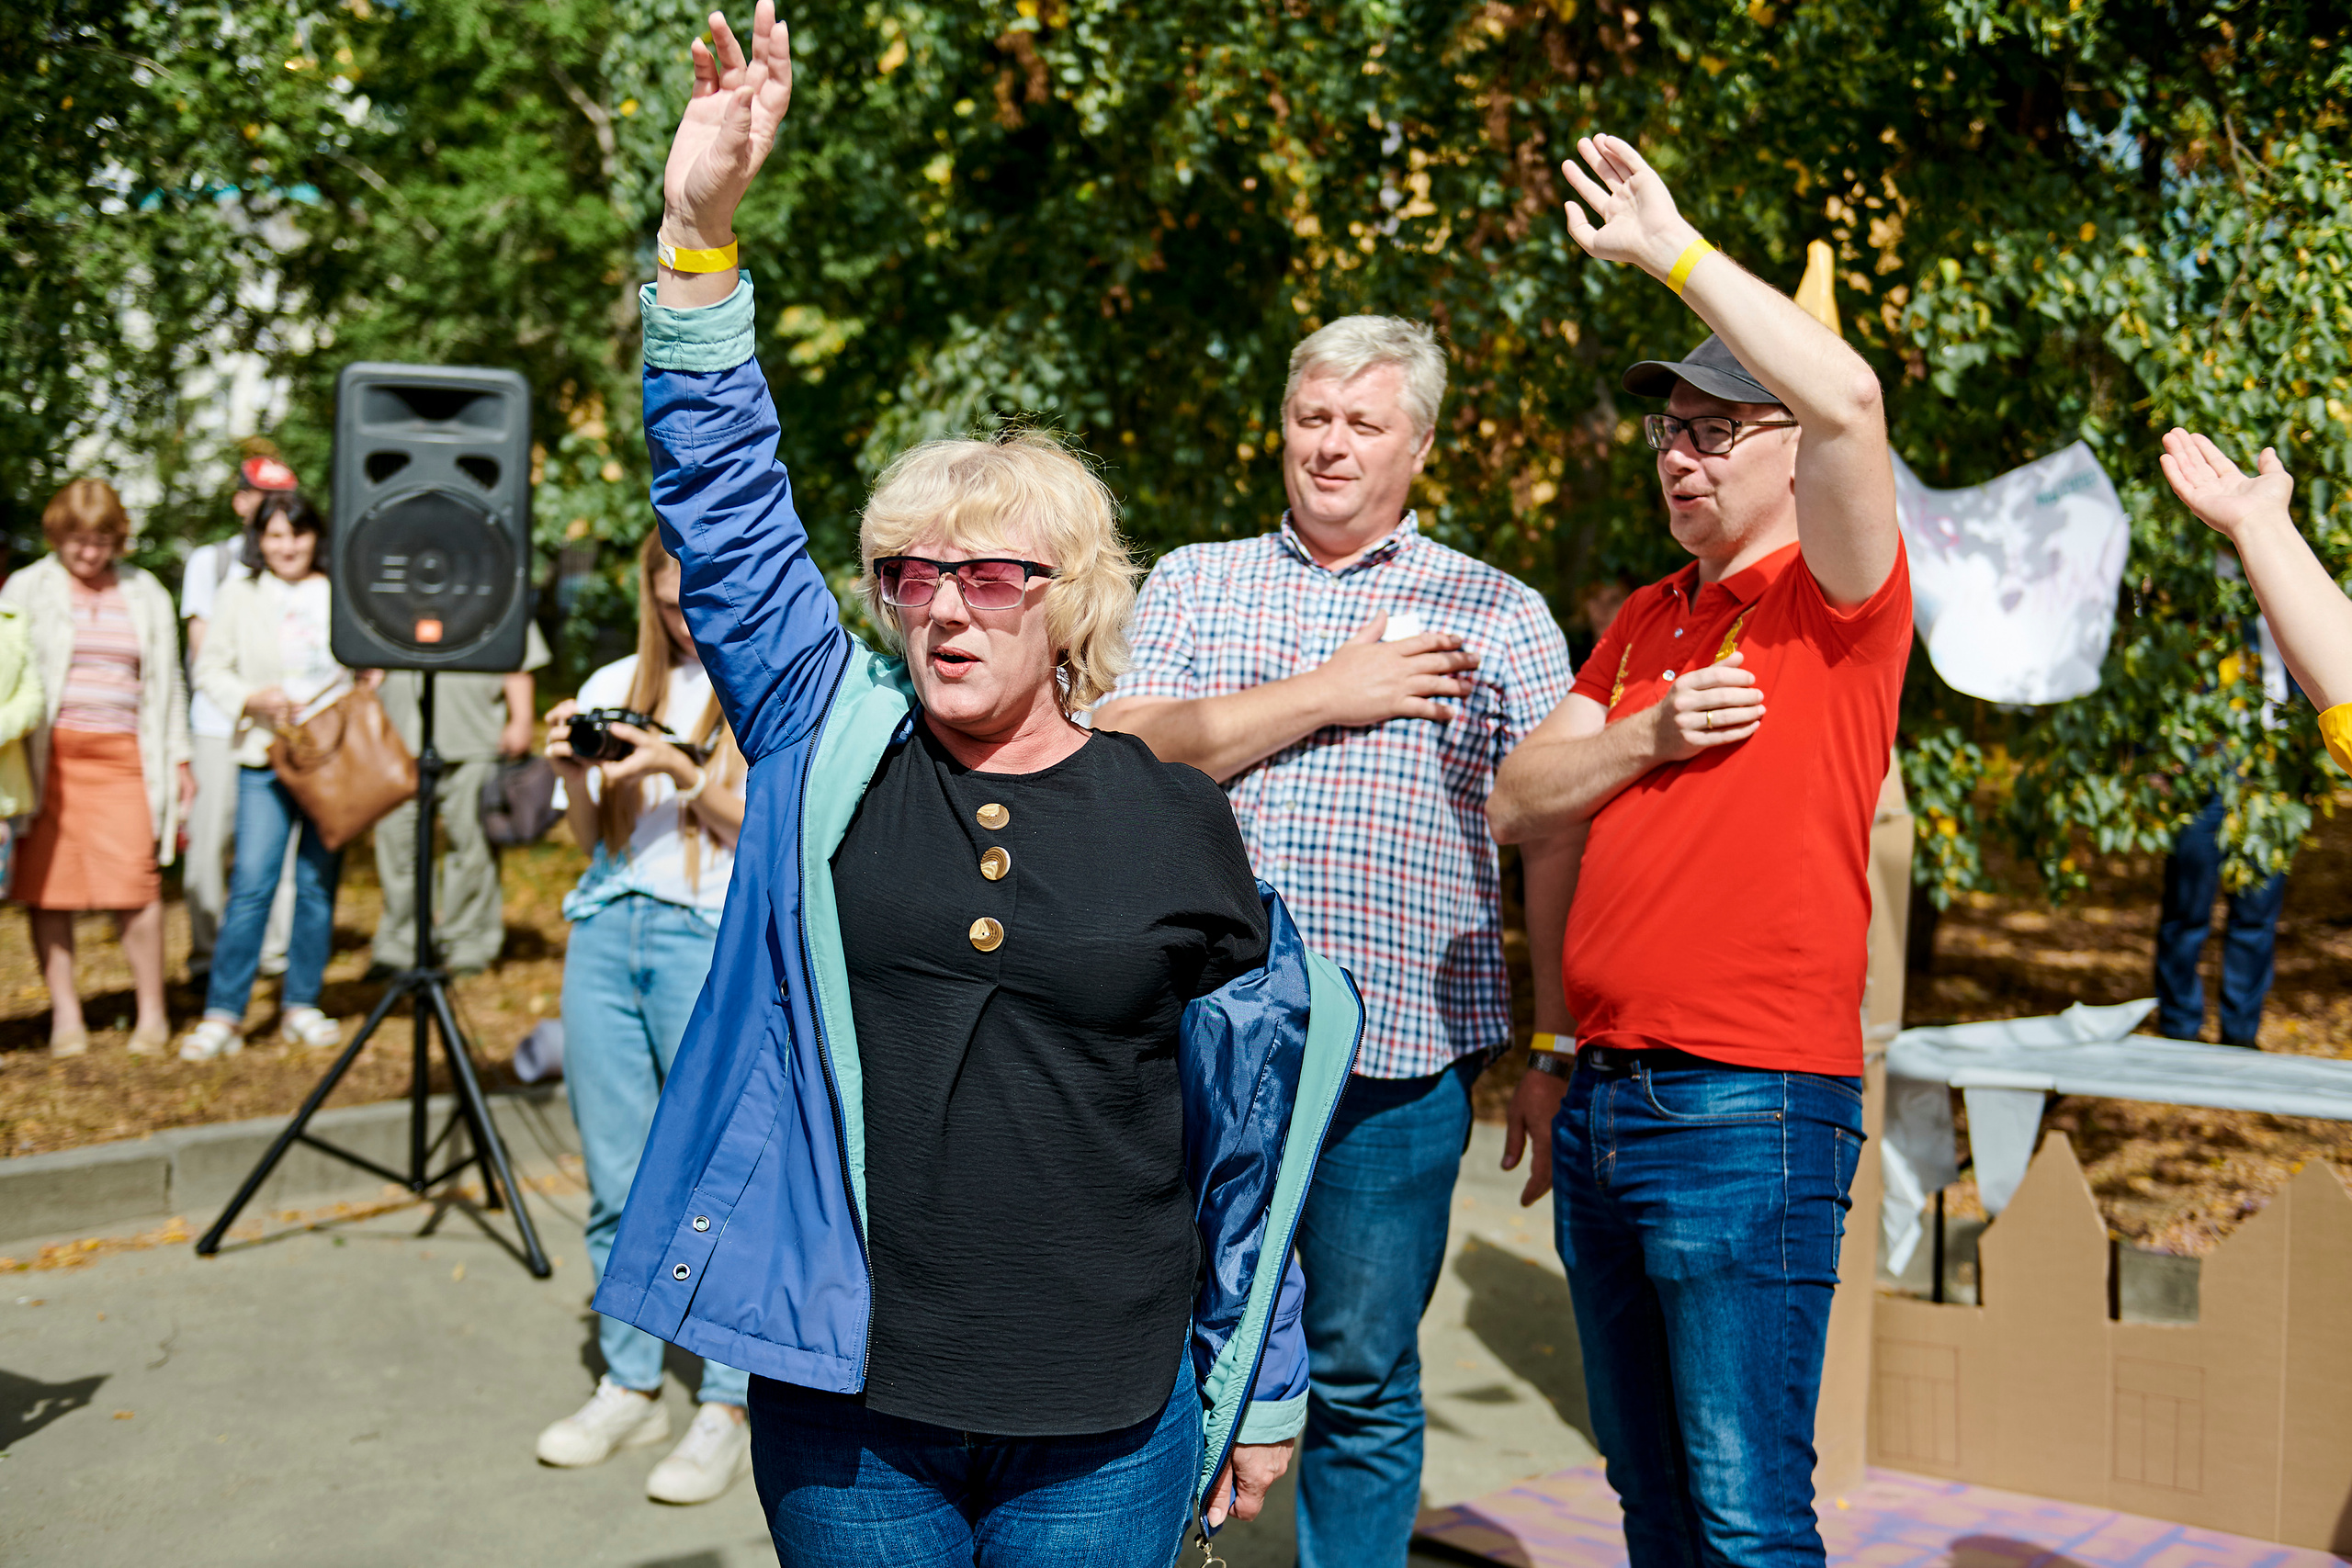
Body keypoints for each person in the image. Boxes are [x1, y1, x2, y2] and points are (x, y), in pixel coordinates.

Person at [594, 11, 1362, 1562]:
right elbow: (729, 504)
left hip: (1107, 1424)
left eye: (996, 574)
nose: (948, 606)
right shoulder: (833, 747)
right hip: (852, 1415)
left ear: (1070, 597)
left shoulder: (1170, 813)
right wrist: (697, 238)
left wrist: (1266, 1380)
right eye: (911, 573)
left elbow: (1245, 1126)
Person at [1484, 134, 1909, 1564]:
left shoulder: (1837, 596)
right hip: (1607, 1098)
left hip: (1746, 1105)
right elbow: (1520, 798)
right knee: (1652, 1500)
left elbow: (1851, 396)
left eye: (1718, 425)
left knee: (1744, 1511)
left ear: (1790, 446)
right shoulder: (1644, 618)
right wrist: (1648, 737)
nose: (1680, 450)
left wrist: (1672, 247)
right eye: (1670, 428)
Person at [1093, 314, 1574, 1560]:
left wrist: (1557, 1043)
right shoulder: (1199, 577)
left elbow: (1558, 830)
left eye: (1364, 422)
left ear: (1418, 443)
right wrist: (1330, 693)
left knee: (1364, 1371)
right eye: (1314, 415)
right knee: (1159, 1333)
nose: (1332, 443)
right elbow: (1122, 749)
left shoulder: (1497, 608)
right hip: (1189, 1041)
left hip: (1397, 1064)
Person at [531, 535, 752, 1505]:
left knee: (714, 1174)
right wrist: (579, 767)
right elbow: (587, 838)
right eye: (666, 603)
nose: (682, 619)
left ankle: (730, 1402)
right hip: (606, 927)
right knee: (616, 1173)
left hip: (706, 936)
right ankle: (631, 1382)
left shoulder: (761, 676)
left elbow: (760, 829)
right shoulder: (616, 676)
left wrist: (677, 764)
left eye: (693, 600)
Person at [1, 479, 196, 1056]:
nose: (88, 552)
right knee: (49, 887)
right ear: (57, 535)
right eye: (77, 540)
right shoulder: (27, 587)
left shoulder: (147, 594)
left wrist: (180, 756)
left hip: (126, 757)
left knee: (137, 882)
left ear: (118, 539)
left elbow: (170, 681)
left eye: (101, 540)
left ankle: (151, 1013)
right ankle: (66, 1016)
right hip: (49, 757)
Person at [180, 491, 365, 1062]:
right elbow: (210, 667)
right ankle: (225, 1013)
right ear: (259, 540)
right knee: (253, 882)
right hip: (265, 755)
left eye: (298, 534)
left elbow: (365, 660)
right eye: (276, 536)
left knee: (315, 881)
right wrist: (251, 699)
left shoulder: (340, 590)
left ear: (317, 537)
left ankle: (301, 1003)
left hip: (330, 756)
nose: (287, 547)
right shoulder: (239, 592)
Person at [182, 454, 302, 987]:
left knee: (277, 850)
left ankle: (272, 956)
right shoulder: (211, 564)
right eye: (261, 498)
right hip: (217, 722)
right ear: (240, 502)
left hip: (277, 728)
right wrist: (249, 695)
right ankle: (209, 955)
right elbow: (202, 646)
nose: (273, 511)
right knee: (208, 845)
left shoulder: (298, 564)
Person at [370, 621, 548, 977]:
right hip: (396, 740)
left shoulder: (493, 577)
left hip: (475, 735)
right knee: (396, 845)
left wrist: (522, 718)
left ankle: (468, 943)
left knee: (472, 848)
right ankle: (400, 945)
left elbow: (517, 658)